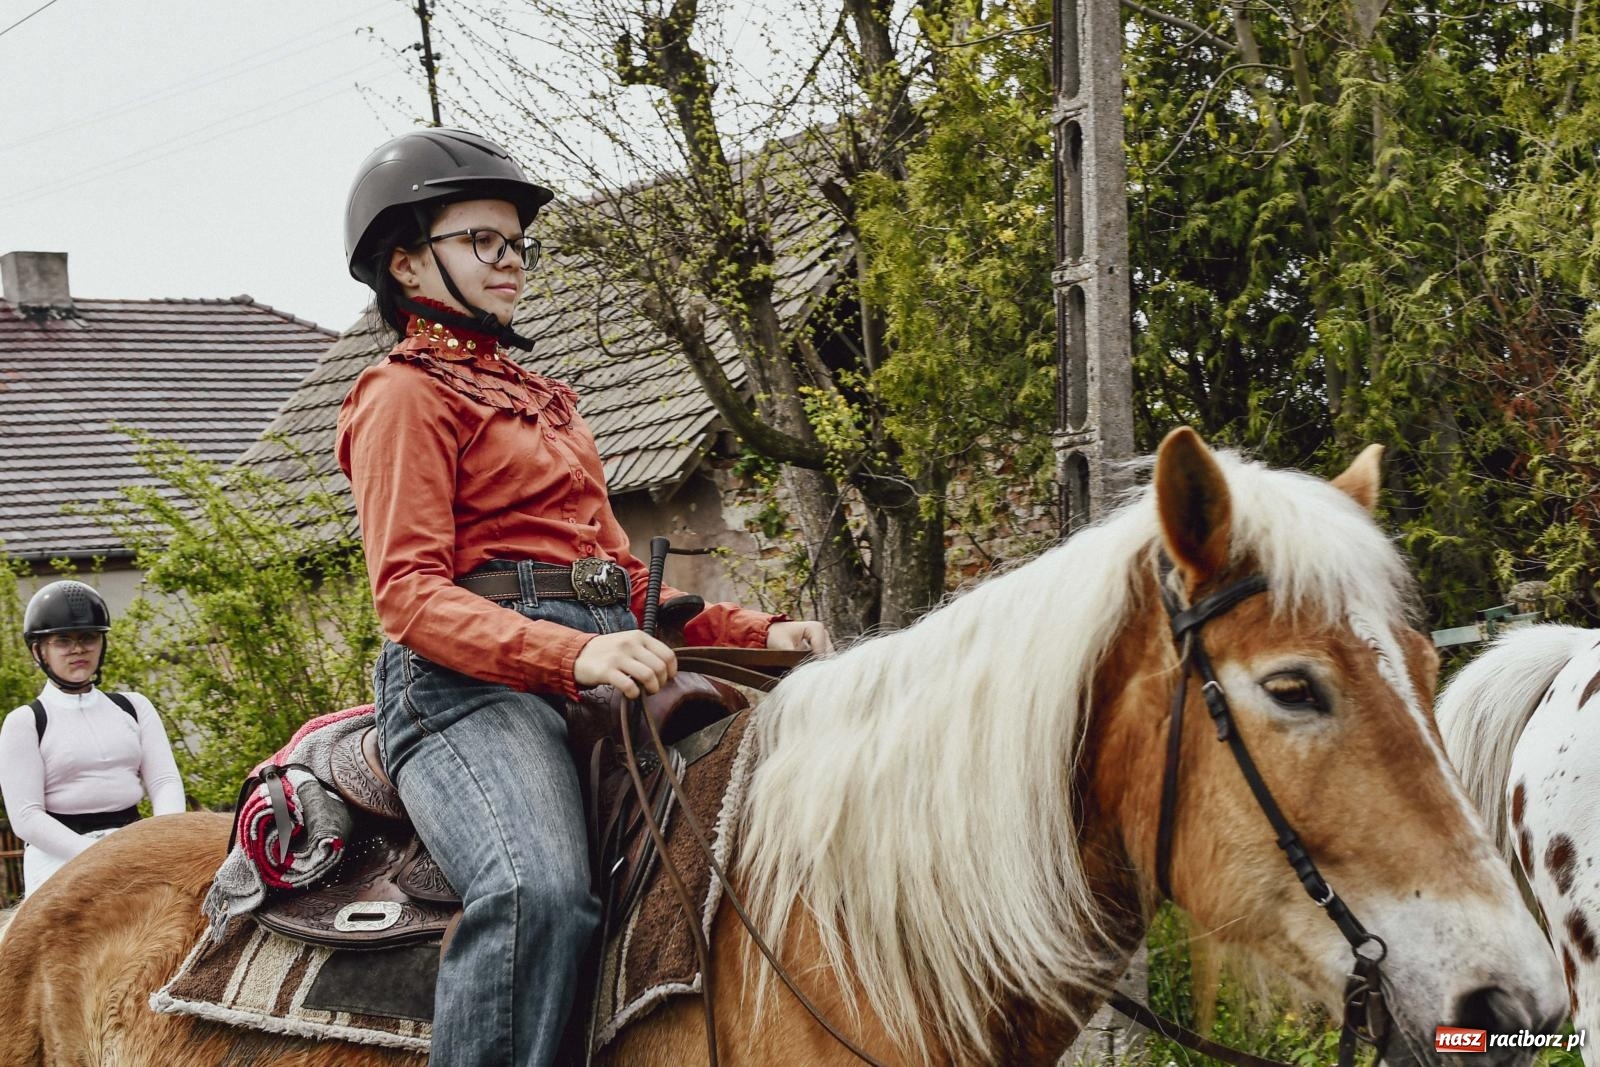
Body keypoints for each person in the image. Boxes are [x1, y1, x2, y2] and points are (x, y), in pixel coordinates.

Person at [335, 127, 832, 1067]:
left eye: (518, 241)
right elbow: (409, 596)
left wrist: (760, 630)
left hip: (601, 658)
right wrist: (571, 655)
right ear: (405, 262)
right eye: (483, 240)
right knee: (539, 892)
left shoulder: (546, 400)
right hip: (463, 693)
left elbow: (624, 580)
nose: (512, 258)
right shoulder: (401, 396)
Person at [0, 580, 185, 897]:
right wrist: (99, 855)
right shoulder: (25, 722)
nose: (78, 649)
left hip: (136, 846)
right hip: (58, 858)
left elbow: (165, 780)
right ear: (38, 650)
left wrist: (162, 840)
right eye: (63, 641)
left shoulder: (135, 707)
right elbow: (27, 817)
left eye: (88, 638)